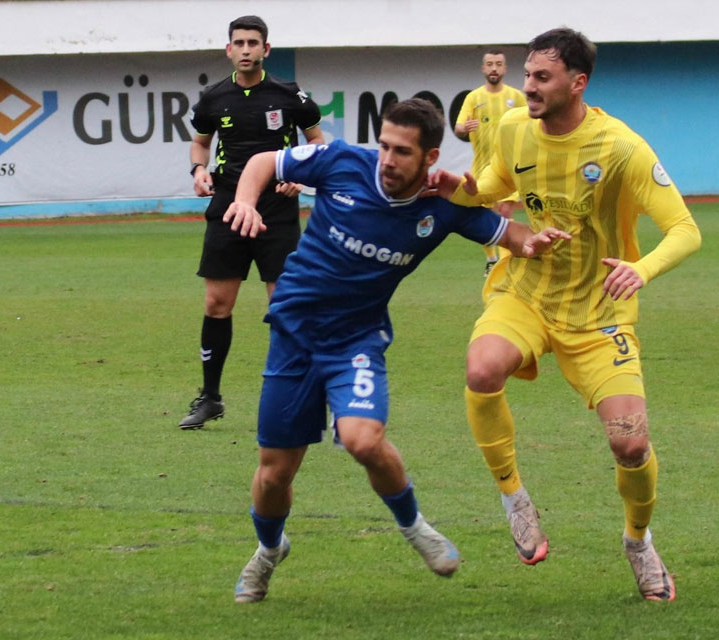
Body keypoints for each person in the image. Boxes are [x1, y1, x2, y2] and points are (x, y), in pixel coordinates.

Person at [222, 98, 569, 603]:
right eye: (383, 145)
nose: (386, 158)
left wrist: (532, 242)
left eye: (401, 151)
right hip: (294, 335)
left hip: (356, 341)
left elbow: (506, 232)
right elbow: (262, 163)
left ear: (429, 158)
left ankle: (414, 527)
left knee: (363, 440)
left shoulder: (442, 206)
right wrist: (248, 201)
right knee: (275, 474)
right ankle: (268, 551)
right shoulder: (341, 162)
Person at [439, 28, 701, 602]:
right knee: (481, 368)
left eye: (541, 78)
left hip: (599, 313)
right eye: (527, 75)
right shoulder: (512, 130)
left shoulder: (621, 148)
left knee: (630, 444)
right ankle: (515, 500)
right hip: (526, 294)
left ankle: (638, 541)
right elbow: (491, 186)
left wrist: (643, 269)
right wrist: (461, 190)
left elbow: (685, 230)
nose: (527, 87)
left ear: (577, 83)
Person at [177, 15, 326, 430]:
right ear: (229, 50)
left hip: (276, 208)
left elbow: (317, 142)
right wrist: (197, 171)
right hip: (227, 205)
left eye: (253, 43)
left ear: (266, 50)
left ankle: (294, 395)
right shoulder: (213, 98)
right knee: (216, 304)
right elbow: (200, 143)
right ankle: (210, 397)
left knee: (284, 307)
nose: (245, 49)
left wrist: (300, 175)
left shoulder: (290, 95)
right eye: (238, 43)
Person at [454, 49, 527, 276]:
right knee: (484, 217)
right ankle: (491, 259)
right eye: (489, 64)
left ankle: (506, 264)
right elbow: (458, 127)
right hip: (482, 167)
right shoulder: (474, 98)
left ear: (505, 69)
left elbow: (533, 121)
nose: (494, 68)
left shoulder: (515, 97)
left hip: (507, 166)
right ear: (483, 69)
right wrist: (464, 128)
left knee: (504, 212)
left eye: (498, 64)